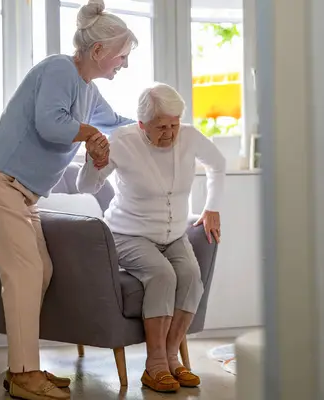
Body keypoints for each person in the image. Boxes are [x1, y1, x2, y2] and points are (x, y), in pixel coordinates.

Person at [0, 1, 137, 399]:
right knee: (24, 273)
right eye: (122, 55)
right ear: (98, 51)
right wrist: (90, 135)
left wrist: (155, 125)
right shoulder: (59, 68)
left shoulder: (90, 91)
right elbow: (50, 122)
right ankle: (25, 374)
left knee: (39, 270)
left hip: (20, 192)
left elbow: (116, 124)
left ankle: (21, 366)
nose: (124, 64)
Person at [76, 83, 226, 392]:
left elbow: (218, 164)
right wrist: (94, 161)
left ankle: (171, 357)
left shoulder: (189, 136)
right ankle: (154, 363)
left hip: (173, 235)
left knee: (191, 276)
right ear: (142, 124)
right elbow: (86, 187)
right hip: (128, 234)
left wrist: (212, 207)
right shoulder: (122, 141)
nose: (171, 133)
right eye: (162, 127)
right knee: (162, 274)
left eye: (174, 124)